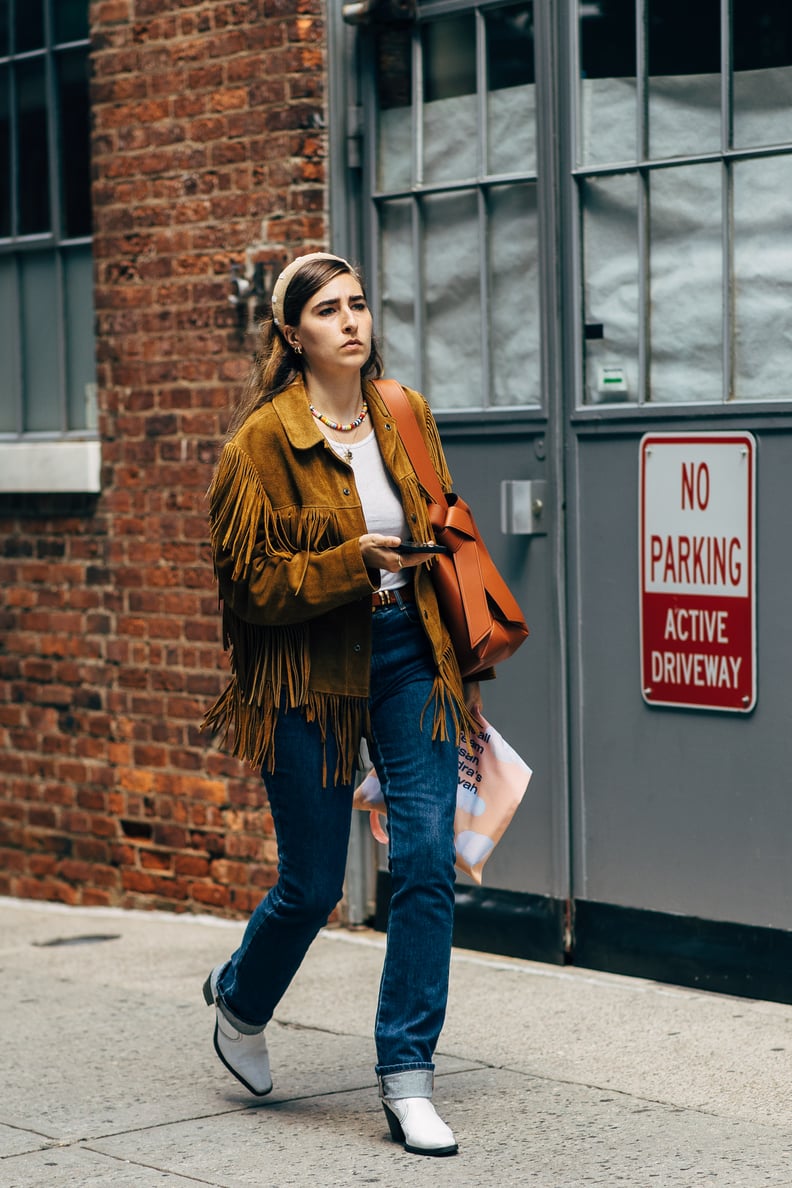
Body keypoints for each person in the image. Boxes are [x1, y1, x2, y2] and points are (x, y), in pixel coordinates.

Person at [201, 251, 483, 1157]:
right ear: (293, 335)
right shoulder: (261, 444)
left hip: (408, 656)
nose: (351, 321)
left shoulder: (404, 414)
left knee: (429, 859)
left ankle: (407, 1076)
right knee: (314, 882)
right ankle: (241, 1003)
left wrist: (457, 662)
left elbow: (441, 529)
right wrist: (345, 565)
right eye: (328, 310)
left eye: (358, 304)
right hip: (307, 674)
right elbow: (247, 589)